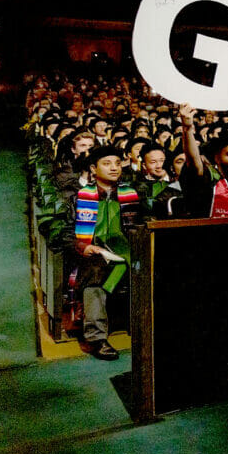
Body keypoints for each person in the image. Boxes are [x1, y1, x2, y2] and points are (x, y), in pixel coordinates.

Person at [72, 146, 141, 360]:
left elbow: (140, 225)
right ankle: (96, 338)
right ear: (93, 168)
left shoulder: (131, 194)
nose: (114, 168)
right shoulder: (79, 196)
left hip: (125, 250)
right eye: (107, 164)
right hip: (92, 252)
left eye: (117, 164)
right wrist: (84, 247)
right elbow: (64, 231)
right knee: (94, 274)